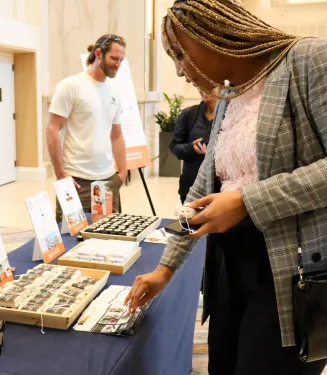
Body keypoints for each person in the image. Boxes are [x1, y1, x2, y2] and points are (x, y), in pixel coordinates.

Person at [125, 1, 327, 374]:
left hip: (290, 273)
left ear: (212, 35)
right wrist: (166, 268)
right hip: (228, 267)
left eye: (181, 54)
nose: (179, 70)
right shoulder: (229, 95)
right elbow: (203, 188)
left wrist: (247, 202)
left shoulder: (308, 60)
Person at [47, 34, 128, 222]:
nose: (118, 64)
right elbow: (52, 129)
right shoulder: (71, 86)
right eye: (114, 58)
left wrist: (122, 173)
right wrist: (60, 173)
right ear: (98, 54)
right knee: (70, 241)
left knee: (107, 238)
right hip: (76, 180)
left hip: (108, 180)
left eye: (121, 60)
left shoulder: (114, 93)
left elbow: (117, 135)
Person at [170, 87, 221, 203]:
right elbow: (174, 147)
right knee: (189, 221)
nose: (204, 88)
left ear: (222, 89)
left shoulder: (228, 116)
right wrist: (190, 148)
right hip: (191, 187)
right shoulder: (188, 114)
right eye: (200, 84)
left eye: (208, 84)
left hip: (220, 190)